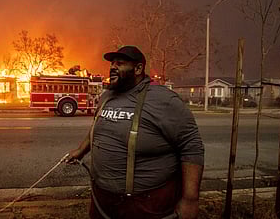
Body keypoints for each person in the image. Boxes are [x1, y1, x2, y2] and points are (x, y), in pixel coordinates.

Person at [65, 46, 204, 219]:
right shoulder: (107, 96)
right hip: (102, 200)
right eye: (112, 63)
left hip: (144, 204)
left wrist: (190, 199)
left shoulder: (163, 100)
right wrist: (80, 150)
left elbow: (191, 146)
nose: (113, 67)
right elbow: (98, 128)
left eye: (120, 63)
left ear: (138, 68)